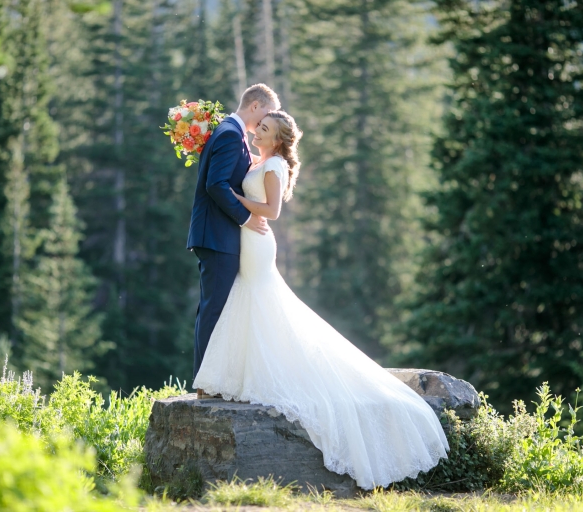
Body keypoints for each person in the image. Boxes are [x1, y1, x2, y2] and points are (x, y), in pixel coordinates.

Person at [192, 110, 449, 490]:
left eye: (265, 129)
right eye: (259, 126)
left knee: (261, 303)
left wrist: (236, 200)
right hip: (245, 239)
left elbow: (272, 211)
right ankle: (240, 374)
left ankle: (270, 371)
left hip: (257, 241)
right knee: (247, 306)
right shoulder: (258, 160)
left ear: (279, 139)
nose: (257, 131)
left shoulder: (274, 165)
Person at [187, 84, 281, 396]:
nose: (267, 120)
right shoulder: (229, 133)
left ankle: (209, 381)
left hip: (218, 234)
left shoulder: (231, 132)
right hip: (217, 235)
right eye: (267, 113)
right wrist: (246, 218)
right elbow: (216, 185)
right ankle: (206, 384)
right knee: (214, 309)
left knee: (215, 307)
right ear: (255, 106)